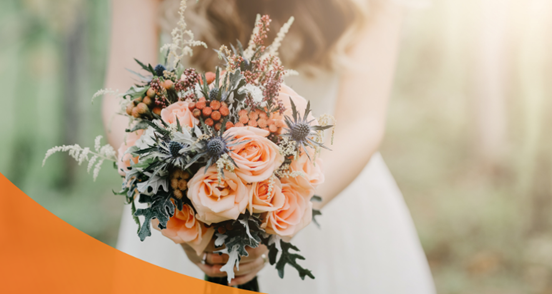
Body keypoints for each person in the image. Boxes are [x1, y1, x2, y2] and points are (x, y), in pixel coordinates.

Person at [103, 0, 437, 293]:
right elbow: (123, 98)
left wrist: (278, 215)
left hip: (331, 189)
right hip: (184, 195)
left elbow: (362, 123)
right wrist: (182, 213)